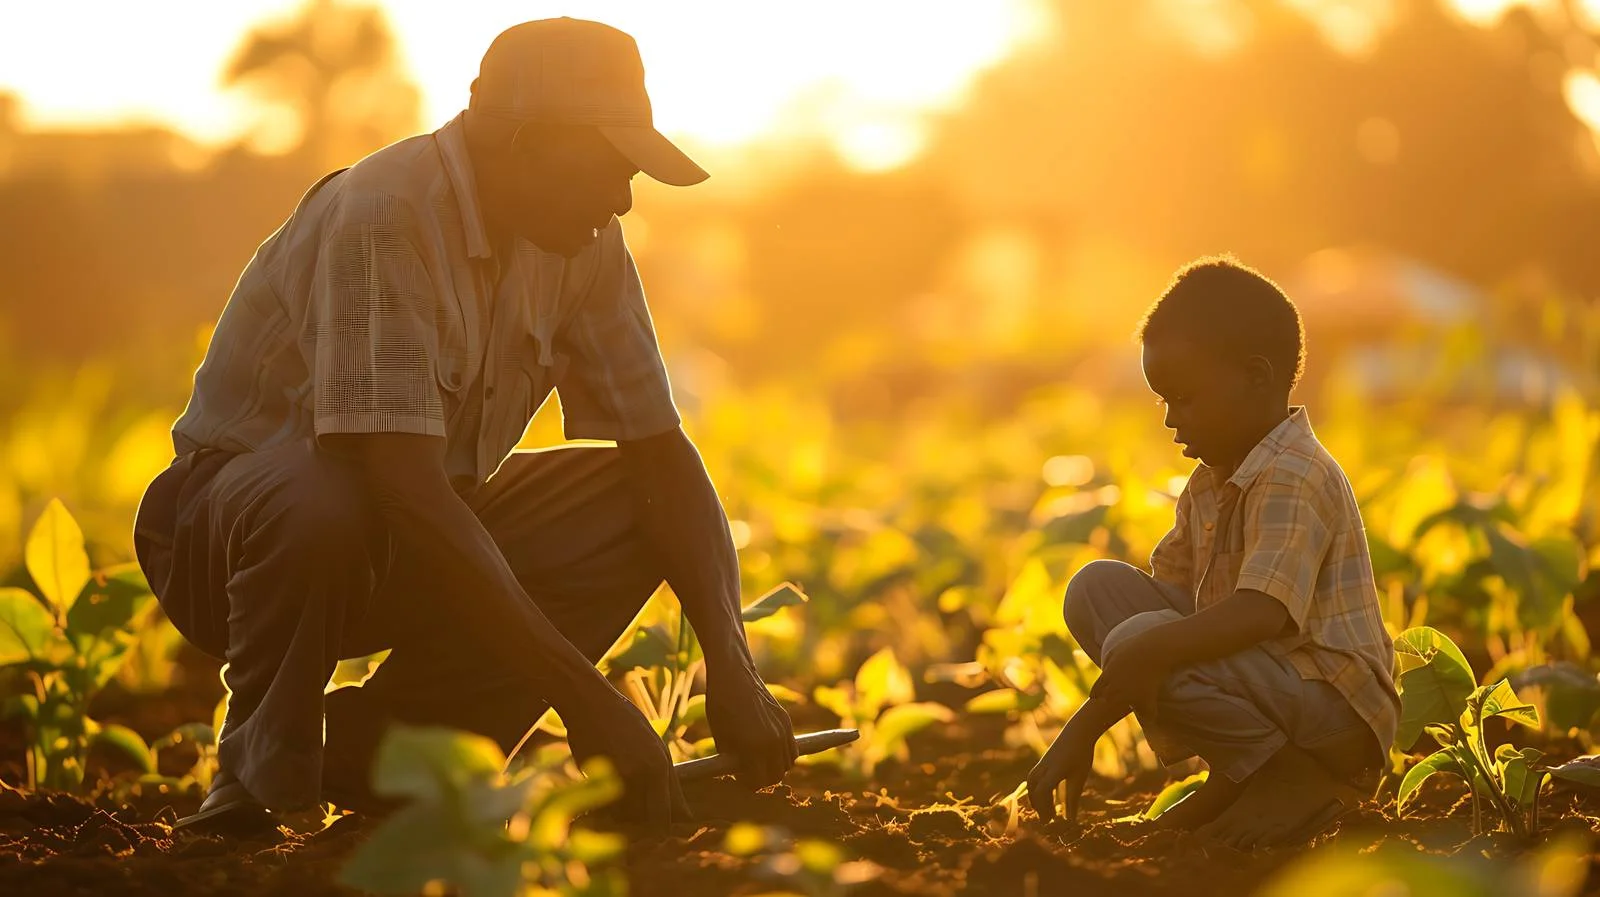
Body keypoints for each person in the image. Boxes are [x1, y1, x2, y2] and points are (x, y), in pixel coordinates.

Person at [132, 18, 797, 834]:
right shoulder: (386, 214)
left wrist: (731, 664)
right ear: (523, 144)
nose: (622, 198)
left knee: (636, 499)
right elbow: (397, 483)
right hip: (231, 540)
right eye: (607, 167)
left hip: (413, 522)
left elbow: (661, 456)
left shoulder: (585, 238)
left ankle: (391, 751)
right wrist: (584, 700)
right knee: (325, 494)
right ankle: (254, 775)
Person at [1025, 257, 1398, 849]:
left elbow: (1259, 614)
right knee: (1098, 590)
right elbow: (1170, 598)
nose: (1171, 420)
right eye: (1163, 401)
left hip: (1333, 709)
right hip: (1271, 683)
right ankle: (1249, 772)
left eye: (1185, 398)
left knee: (1143, 639)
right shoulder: (1212, 478)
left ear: (1256, 377)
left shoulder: (1292, 473)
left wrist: (1085, 725)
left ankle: (1292, 777)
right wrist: (1132, 665)